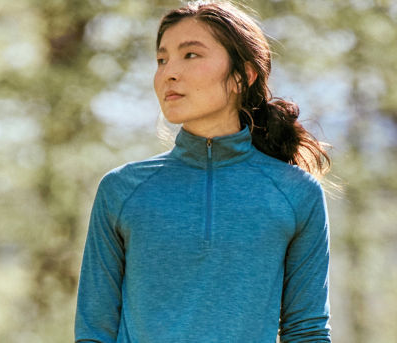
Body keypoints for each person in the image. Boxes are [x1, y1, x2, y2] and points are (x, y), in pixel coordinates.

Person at [74, 1, 333, 342]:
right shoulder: (122, 190)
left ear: (243, 75)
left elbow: (307, 330)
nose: (169, 72)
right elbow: (95, 330)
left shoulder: (295, 193)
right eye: (161, 59)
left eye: (190, 55)